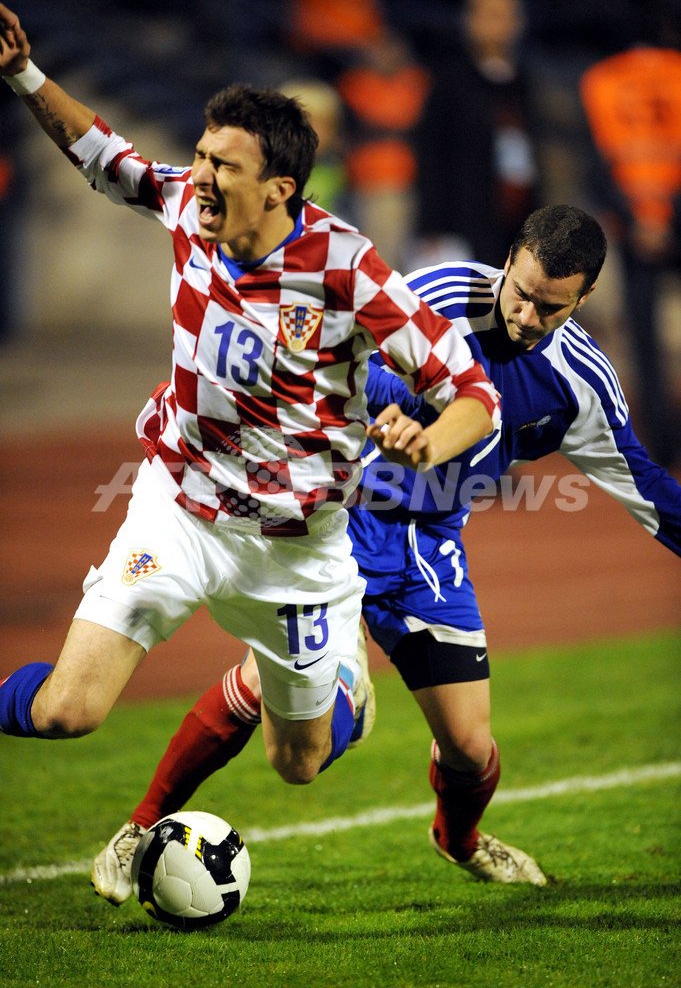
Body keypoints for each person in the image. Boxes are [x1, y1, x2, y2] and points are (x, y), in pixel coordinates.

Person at [90, 204, 681, 904]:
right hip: (333, 525)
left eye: (550, 308)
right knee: (270, 701)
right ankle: (137, 829)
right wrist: (380, 406)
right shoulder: (435, 296)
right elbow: (324, 360)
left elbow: (647, 489)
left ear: (583, 299)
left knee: (468, 748)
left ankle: (458, 839)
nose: (526, 315)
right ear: (510, 258)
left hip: (426, 550)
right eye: (520, 292)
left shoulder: (578, 384)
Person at [0, 2, 501, 793]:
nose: (198, 175)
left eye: (221, 166)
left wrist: (430, 443)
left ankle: (340, 687)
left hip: (296, 547)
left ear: (278, 189)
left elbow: (471, 391)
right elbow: (106, 157)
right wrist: (22, 73)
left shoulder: (348, 269)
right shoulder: (187, 210)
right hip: (181, 508)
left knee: (295, 764)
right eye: (200, 155)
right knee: (69, 710)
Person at [579, 0, 681, 469]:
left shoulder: (599, 79)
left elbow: (597, 163)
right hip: (674, 217)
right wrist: (666, 215)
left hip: (633, 223)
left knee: (644, 341)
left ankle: (661, 444)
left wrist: (639, 218)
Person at [411, 0, 541, 271]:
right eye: (488, 15)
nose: (498, 24)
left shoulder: (527, 84)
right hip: (464, 222)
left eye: (505, 15)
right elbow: (431, 154)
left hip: (519, 220)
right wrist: (431, 223)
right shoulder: (449, 82)